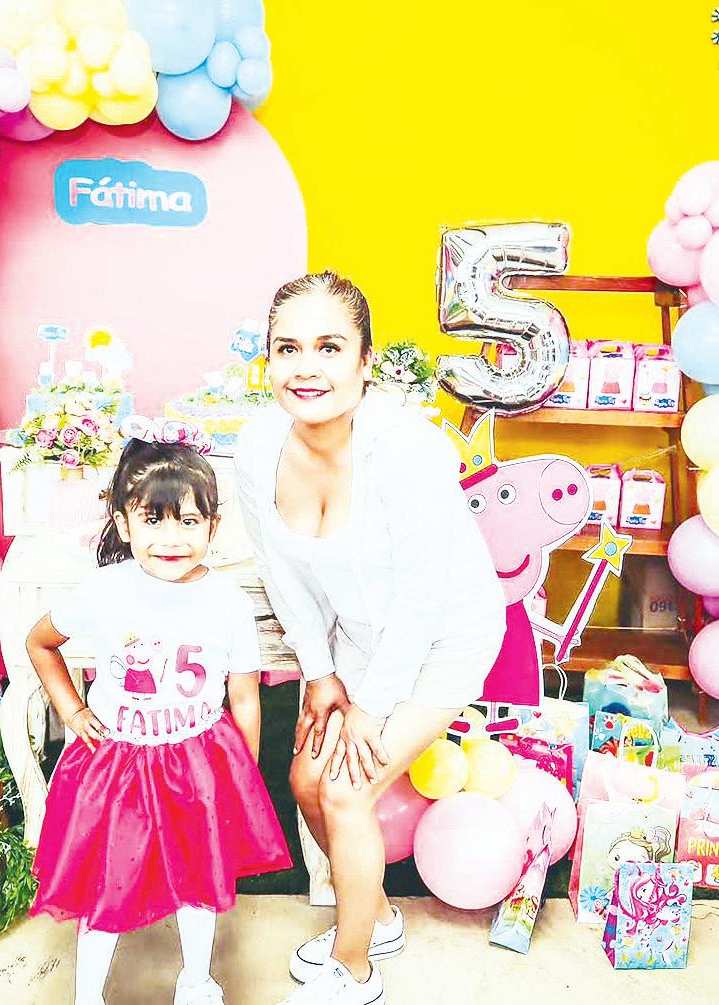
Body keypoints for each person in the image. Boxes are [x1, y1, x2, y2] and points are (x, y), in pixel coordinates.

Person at [235, 271, 506, 1005]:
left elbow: (420, 597)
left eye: (329, 347)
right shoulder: (257, 447)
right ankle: (376, 917)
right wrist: (322, 674)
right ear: (269, 358)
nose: (306, 368)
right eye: (288, 348)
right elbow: (280, 571)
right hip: (359, 639)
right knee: (305, 781)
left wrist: (372, 705)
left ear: (365, 361)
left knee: (347, 788)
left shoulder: (406, 449)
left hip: (445, 637)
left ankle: (353, 968)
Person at [27, 418, 292, 1005]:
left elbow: (244, 695)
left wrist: (239, 777)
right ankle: (88, 995)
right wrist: (71, 710)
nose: (171, 538)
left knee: (198, 881)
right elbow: (40, 642)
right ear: (124, 523)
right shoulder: (105, 590)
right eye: (152, 519)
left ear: (213, 527)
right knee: (106, 883)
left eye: (188, 521)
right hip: (118, 766)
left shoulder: (227, 601)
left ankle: (195, 979)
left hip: (196, 763)